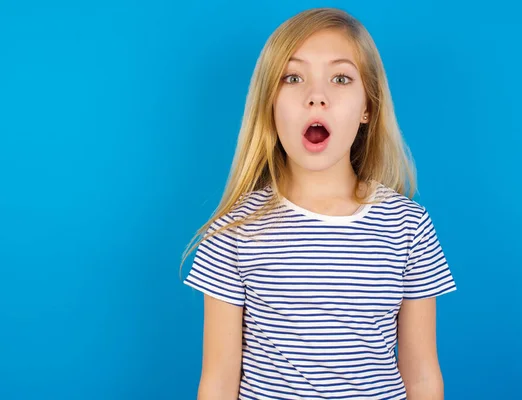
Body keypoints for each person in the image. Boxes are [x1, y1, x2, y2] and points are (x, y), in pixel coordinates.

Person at [180, 7, 457, 400]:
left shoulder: (408, 226)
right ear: (270, 105)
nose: (316, 98)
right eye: (293, 78)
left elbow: (423, 374)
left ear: (367, 108)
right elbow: (219, 381)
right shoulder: (234, 231)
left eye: (341, 78)